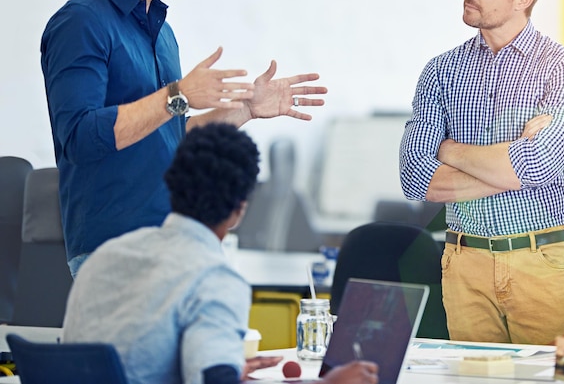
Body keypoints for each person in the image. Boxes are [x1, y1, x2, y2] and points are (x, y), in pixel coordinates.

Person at [40, 0, 327, 278]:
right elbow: (80, 137)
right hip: (114, 250)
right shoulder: (81, 24)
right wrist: (177, 95)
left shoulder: (160, 32)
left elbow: (171, 133)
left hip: (170, 239)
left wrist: (246, 109)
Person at [62, 123, 379, 384]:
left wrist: (224, 372)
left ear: (171, 186)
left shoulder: (105, 257)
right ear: (240, 208)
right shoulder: (216, 279)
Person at [399, 0, 564, 345]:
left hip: (542, 262)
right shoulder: (441, 71)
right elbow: (416, 178)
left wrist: (448, 151)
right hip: (462, 263)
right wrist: (512, 165)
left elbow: (537, 163)